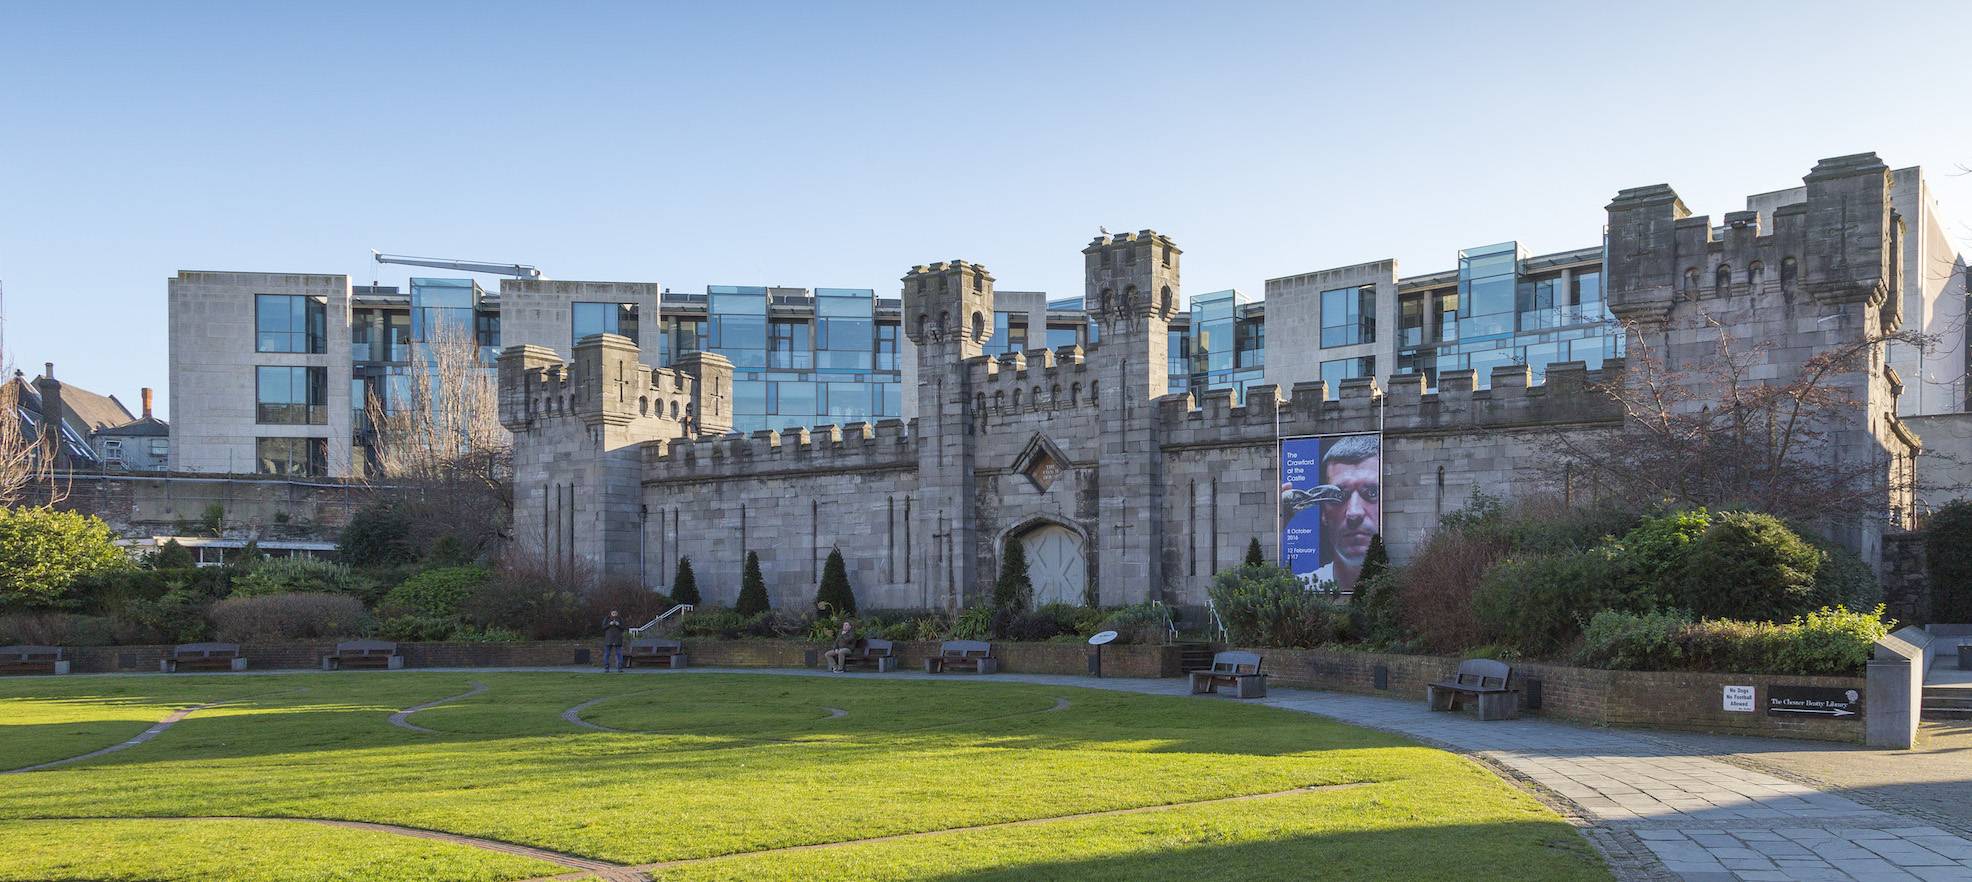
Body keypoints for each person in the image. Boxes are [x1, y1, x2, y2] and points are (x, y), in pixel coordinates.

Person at [1318, 435, 1382, 594]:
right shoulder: (1299, 587)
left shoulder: (1410, 587)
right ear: (1323, 512)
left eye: (1372, 492)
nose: (1354, 512)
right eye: (1338, 495)